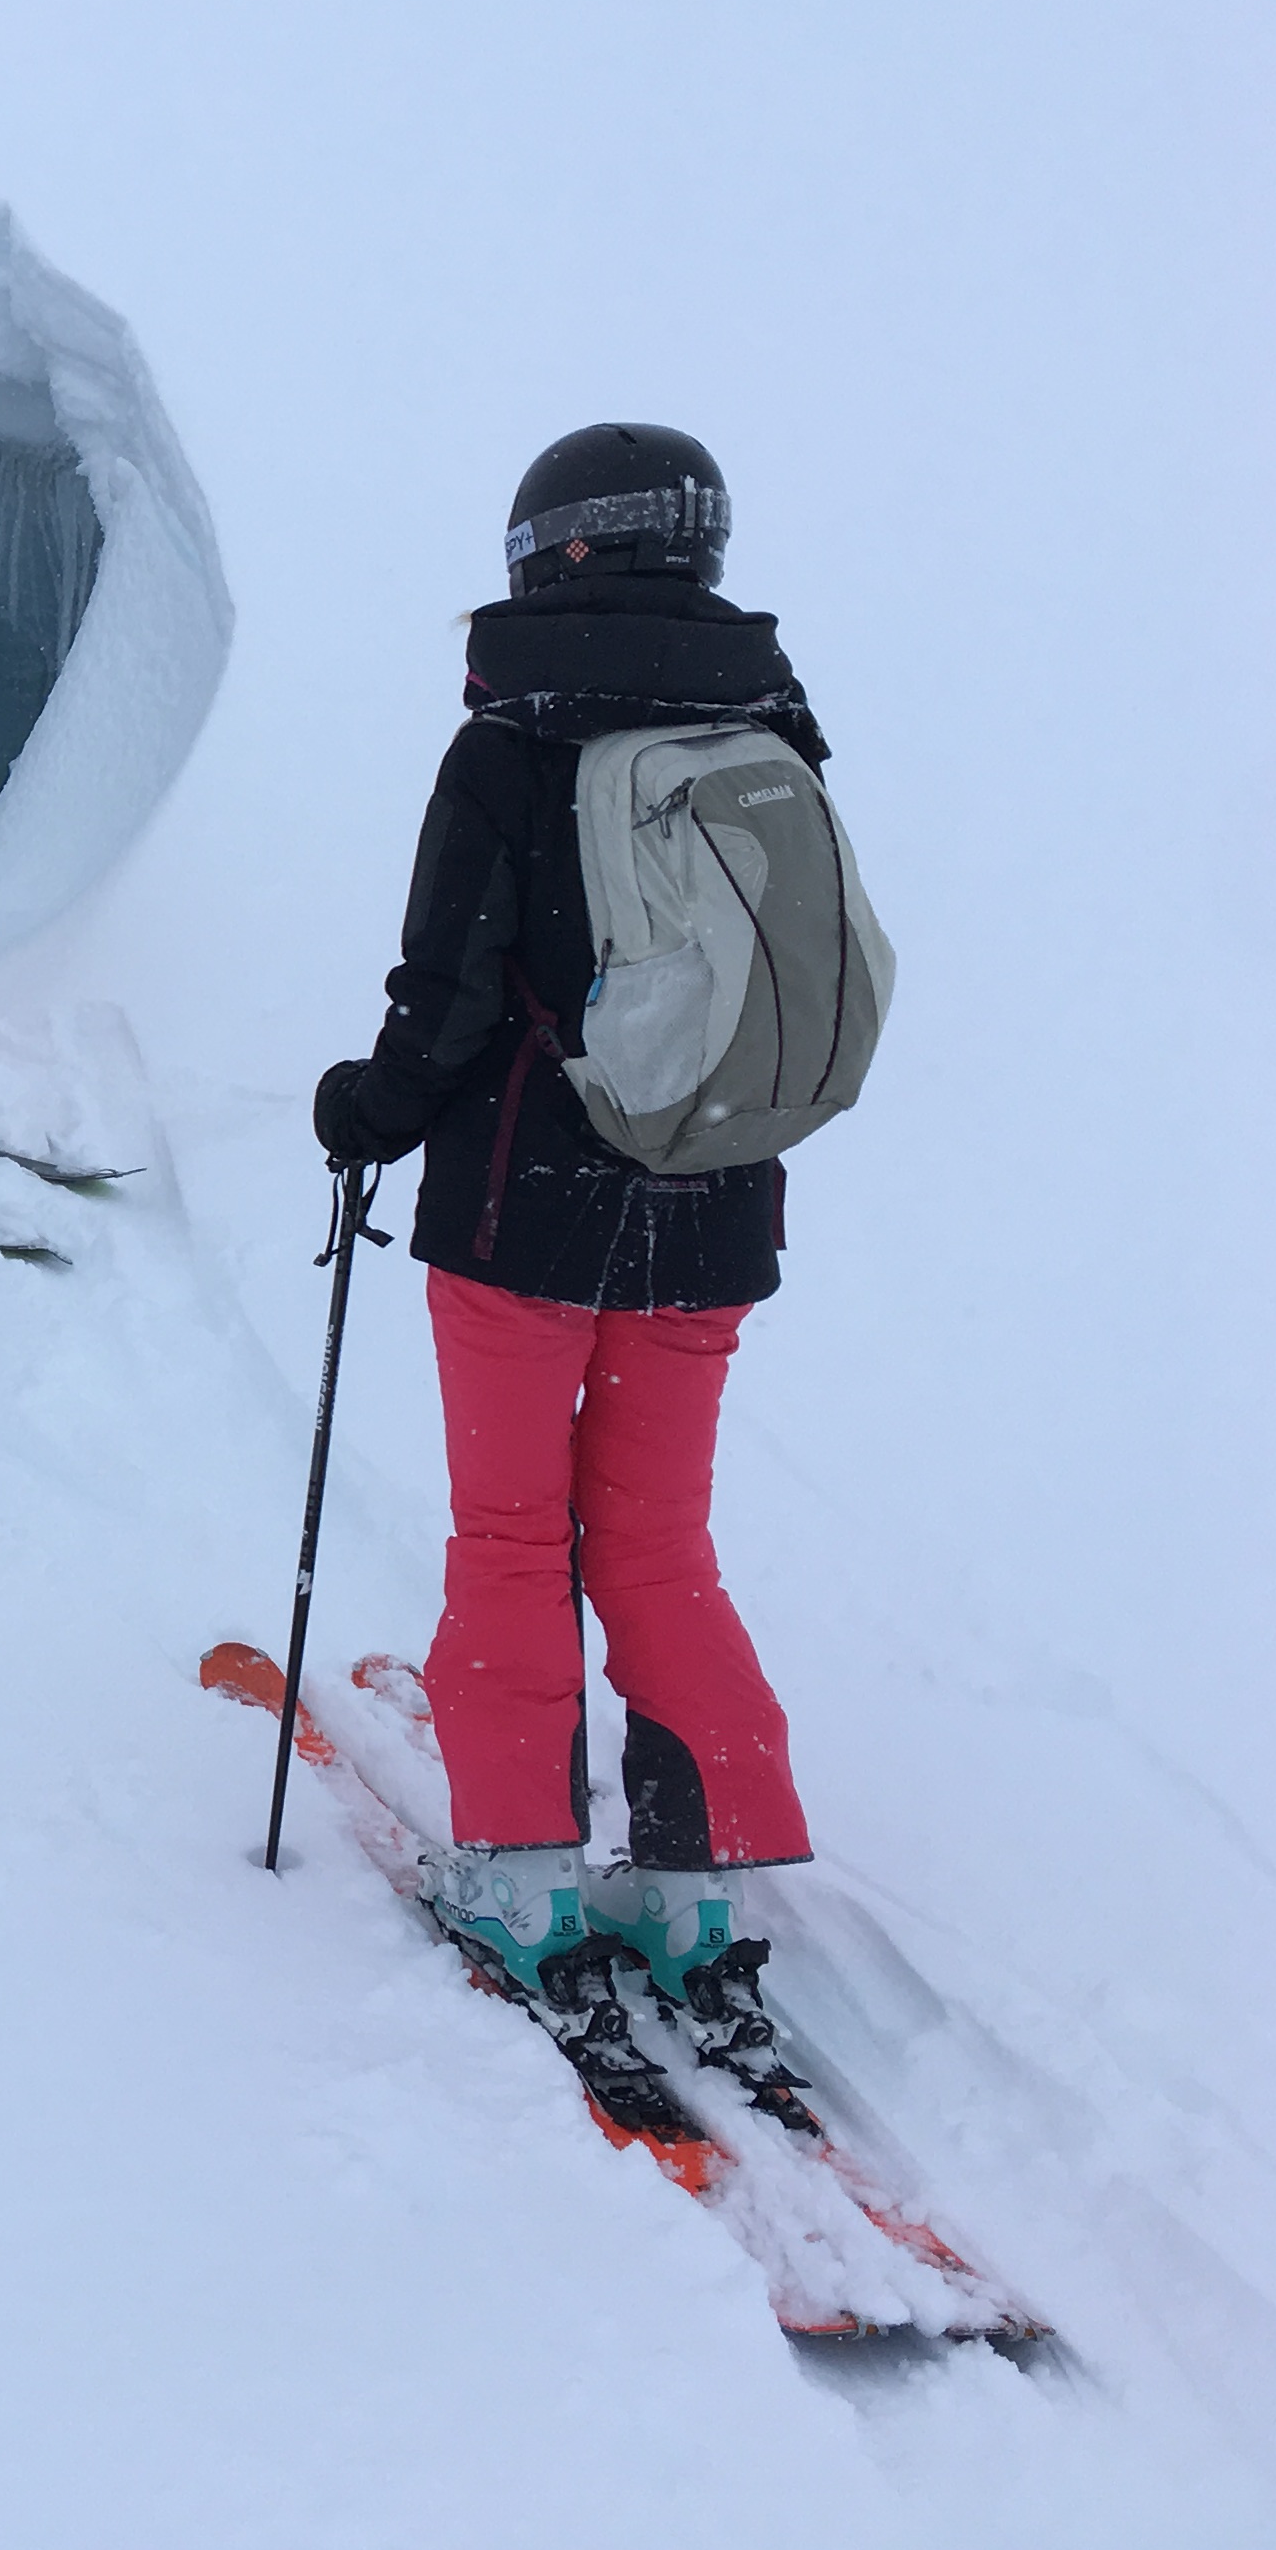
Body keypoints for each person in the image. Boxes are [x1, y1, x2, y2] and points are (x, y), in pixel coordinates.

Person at [312, 421, 826, 2116]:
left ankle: (527, 1879)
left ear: (552, 552)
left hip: (523, 1208)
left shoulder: (515, 732)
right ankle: (697, 1890)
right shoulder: (769, 722)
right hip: (714, 1202)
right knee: (660, 1540)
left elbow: (451, 987)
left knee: (516, 1532)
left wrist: (370, 1111)